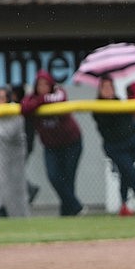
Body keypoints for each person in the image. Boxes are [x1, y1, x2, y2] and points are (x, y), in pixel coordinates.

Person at [20, 70, 83, 216]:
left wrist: (40, 100)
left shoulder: (59, 92)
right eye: (40, 84)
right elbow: (25, 107)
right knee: (54, 177)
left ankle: (67, 213)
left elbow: (61, 97)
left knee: (68, 179)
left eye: (45, 84)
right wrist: (41, 99)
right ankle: (76, 206)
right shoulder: (32, 98)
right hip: (51, 146)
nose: (42, 87)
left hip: (71, 142)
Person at [92, 75, 135, 216]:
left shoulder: (120, 102)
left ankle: (124, 205)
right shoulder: (97, 107)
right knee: (129, 171)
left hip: (130, 142)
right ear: (100, 90)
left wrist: (133, 101)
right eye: (104, 87)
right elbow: (107, 125)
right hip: (114, 146)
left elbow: (130, 121)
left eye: (110, 87)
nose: (108, 90)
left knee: (125, 175)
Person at [0, 85, 30, 218]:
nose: (1, 100)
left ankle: (20, 216)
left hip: (15, 156)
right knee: (0, 184)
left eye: (4, 98)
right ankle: (2, 210)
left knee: (17, 187)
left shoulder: (15, 112)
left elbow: (7, 133)